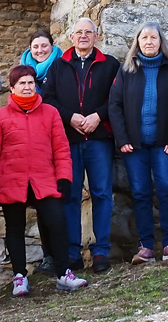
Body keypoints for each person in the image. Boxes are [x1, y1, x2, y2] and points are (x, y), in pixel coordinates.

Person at [0, 65, 87, 295]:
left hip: (44, 179)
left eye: (31, 83)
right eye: (22, 83)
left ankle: (63, 273)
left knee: (57, 223)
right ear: (12, 88)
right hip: (11, 180)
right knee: (15, 227)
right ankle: (20, 276)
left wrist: (64, 178)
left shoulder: (50, 113)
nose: (27, 87)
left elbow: (61, 148)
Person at [45, 19, 120, 273]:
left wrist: (98, 115)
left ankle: (100, 252)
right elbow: (48, 99)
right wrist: (70, 117)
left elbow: (116, 97)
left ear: (96, 36)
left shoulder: (110, 65)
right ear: (71, 37)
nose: (84, 36)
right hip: (69, 140)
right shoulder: (58, 66)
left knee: (101, 194)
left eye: (88, 32)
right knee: (70, 196)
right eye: (79, 33)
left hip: (99, 139)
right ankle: (72, 254)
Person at [109, 20, 168, 263]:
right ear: (138, 43)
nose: (149, 42)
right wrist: (122, 139)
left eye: (154, 38)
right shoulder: (127, 71)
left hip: (165, 144)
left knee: (166, 190)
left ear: (161, 42)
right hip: (134, 146)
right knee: (141, 193)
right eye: (144, 38)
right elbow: (115, 105)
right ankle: (145, 247)